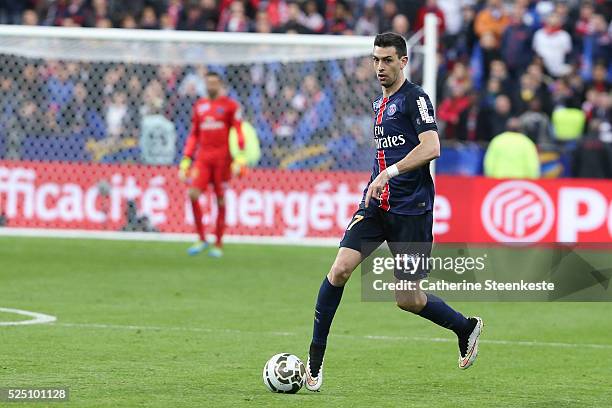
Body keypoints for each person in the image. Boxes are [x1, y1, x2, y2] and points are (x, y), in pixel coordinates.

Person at [304, 32, 483, 392]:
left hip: (411, 211)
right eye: (375, 60)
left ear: (403, 61)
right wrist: (377, 178)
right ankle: (315, 359)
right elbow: (384, 152)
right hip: (376, 205)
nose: (380, 67)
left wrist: (390, 172)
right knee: (339, 270)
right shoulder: (378, 105)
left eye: (387, 60)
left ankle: (465, 327)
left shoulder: (416, 99)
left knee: (408, 299)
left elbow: (432, 147)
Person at [179, 72, 244, 258]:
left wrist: (239, 157)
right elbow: (194, 135)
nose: (211, 86)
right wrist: (186, 158)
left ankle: (218, 242)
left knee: (220, 199)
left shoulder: (231, 106)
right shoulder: (200, 106)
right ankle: (201, 238)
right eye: (208, 83)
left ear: (220, 85)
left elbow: (239, 131)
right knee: (192, 194)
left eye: (214, 83)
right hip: (203, 159)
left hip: (223, 160)